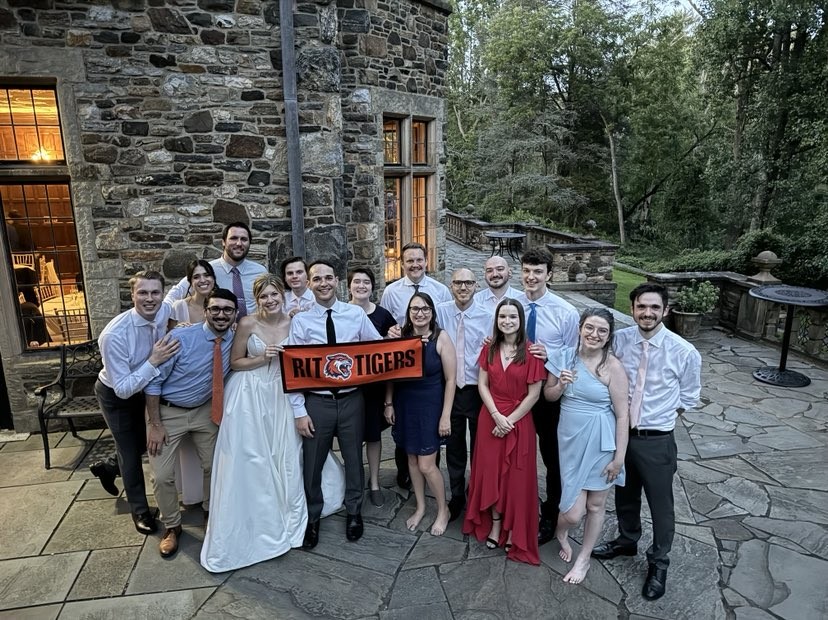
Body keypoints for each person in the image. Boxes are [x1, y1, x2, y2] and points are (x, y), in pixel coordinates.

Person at [201, 274, 344, 571]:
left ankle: (293, 513)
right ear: (257, 299)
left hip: (285, 392)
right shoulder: (247, 324)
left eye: (274, 295)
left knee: (289, 452)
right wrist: (262, 358)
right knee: (254, 455)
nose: (270, 300)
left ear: (283, 295)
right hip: (251, 393)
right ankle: (262, 517)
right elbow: (235, 362)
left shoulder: (296, 322)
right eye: (264, 296)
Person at [591, 283, 701, 601]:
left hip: (657, 441)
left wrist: (658, 419)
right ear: (633, 308)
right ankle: (627, 540)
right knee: (625, 495)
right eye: (642, 306)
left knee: (661, 505)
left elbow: (689, 398)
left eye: (654, 307)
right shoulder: (620, 341)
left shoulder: (684, 352)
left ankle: (659, 562)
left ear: (665, 310)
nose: (647, 313)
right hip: (621, 435)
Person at [288, 260, 382, 549]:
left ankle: (354, 511)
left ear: (338, 281)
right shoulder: (301, 321)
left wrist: (401, 343)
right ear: (309, 283)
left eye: (329, 277)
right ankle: (312, 517)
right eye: (317, 279)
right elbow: (293, 371)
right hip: (318, 403)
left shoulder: (354, 314)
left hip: (352, 399)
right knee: (313, 462)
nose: (324, 283)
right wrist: (299, 411)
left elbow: (378, 350)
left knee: (354, 458)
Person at [145, 288, 237, 558]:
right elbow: (154, 381)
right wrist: (154, 423)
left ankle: (210, 514)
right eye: (215, 309)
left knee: (215, 466)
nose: (221, 315)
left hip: (205, 411)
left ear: (235, 314)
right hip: (168, 412)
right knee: (162, 476)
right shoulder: (181, 337)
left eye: (227, 310)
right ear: (205, 311)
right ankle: (172, 526)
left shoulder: (235, 339)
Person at [544, 308, 629, 584]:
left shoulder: (612, 367)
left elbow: (622, 415)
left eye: (602, 331)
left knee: (595, 505)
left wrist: (619, 458)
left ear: (608, 337)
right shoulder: (563, 357)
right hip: (571, 438)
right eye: (590, 328)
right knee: (571, 512)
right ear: (580, 328)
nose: (595, 334)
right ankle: (561, 531)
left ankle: (584, 559)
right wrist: (560, 385)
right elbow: (548, 396)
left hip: (602, 441)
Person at [92, 271, 181, 534]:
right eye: (143, 293)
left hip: (147, 389)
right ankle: (139, 510)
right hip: (116, 395)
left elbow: (183, 286)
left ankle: (108, 466)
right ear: (132, 295)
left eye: (155, 292)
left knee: (144, 441)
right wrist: (153, 360)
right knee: (130, 452)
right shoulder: (114, 335)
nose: (149, 298)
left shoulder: (165, 309)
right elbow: (123, 389)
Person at [463, 299, 545, 564]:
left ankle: (513, 531)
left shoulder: (532, 352)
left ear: (520, 320)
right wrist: (497, 416)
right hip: (491, 418)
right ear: (496, 320)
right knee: (492, 475)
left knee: (516, 480)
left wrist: (508, 420)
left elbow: (534, 395)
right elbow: (482, 385)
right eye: (502, 317)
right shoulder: (489, 348)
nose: (507, 321)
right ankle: (496, 525)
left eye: (512, 317)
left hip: (519, 422)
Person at [515, 248, 579, 545]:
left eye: (538, 272)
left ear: (549, 275)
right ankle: (513, 506)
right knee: (513, 451)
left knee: (551, 457)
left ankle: (550, 514)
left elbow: (575, 356)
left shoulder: (565, 313)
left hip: (546, 394)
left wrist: (549, 353)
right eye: (527, 270)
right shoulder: (511, 304)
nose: (531, 277)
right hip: (513, 391)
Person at [384, 293, 456, 536]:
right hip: (405, 404)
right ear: (408, 312)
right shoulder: (402, 337)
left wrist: (445, 415)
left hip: (430, 405)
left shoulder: (441, 338)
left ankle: (443, 509)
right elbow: (391, 374)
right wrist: (389, 402)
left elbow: (451, 379)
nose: (420, 313)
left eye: (425, 309)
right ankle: (421, 506)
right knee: (412, 460)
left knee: (427, 464)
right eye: (415, 309)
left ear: (432, 312)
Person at [436, 268, 492, 522]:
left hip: (478, 390)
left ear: (475, 286)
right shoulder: (440, 312)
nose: (463, 287)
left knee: (481, 447)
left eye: (468, 283)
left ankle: (478, 492)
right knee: (454, 447)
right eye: (458, 282)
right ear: (451, 285)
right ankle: (457, 494)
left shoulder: (488, 316)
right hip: (450, 390)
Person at [347, 267, 399, 507]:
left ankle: (375, 481)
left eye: (366, 282)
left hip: (374, 388)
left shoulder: (384, 316)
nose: (361, 286)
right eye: (356, 282)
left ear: (372, 286)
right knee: (350, 437)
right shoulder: (340, 313)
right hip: (347, 388)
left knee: (373, 436)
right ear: (348, 287)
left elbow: (391, 359)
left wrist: (388, 400)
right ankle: (353, 481)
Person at [169, 222, 266, 319]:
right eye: (234, 238)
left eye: (244, 239)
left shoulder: (260, 272)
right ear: (223, 242)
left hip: (252, 331)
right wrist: (160, 316)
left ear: (249, 243)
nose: (239, 243)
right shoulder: (208, 271)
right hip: (219, 330)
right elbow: (177, 292)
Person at [380, 242, 451, 326]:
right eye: (410, 261)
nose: (415, 265)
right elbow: (384, 323)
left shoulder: (441, 291)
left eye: (419, 260)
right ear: (402, 264)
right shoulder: (391, 292)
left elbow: (449, 322)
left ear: (426, 262)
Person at [168, 259, 217, 329]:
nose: (202, 280)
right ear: (190, 282)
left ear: (213, 278)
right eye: (196, 277)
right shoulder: (179, 307)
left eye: (206, 275)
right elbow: (170, 337)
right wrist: (177, 331)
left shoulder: (223, 305)